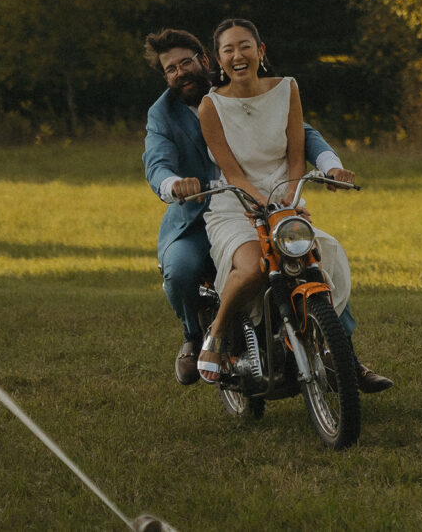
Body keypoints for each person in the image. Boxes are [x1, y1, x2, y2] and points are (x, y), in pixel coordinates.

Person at [142, 28, 391, 392]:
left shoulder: (245, 87)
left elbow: (300, 132)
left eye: (186, 63)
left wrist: (329, 164)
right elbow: (156, 164)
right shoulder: (162, 114)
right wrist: (174, 184)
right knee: (181, 270)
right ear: (165, 76)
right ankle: (195, 338)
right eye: (170, 69)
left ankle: (344, 357)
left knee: (312, 260)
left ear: (204, 61)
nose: (180, 72)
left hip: (268, 202)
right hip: (201, 212)